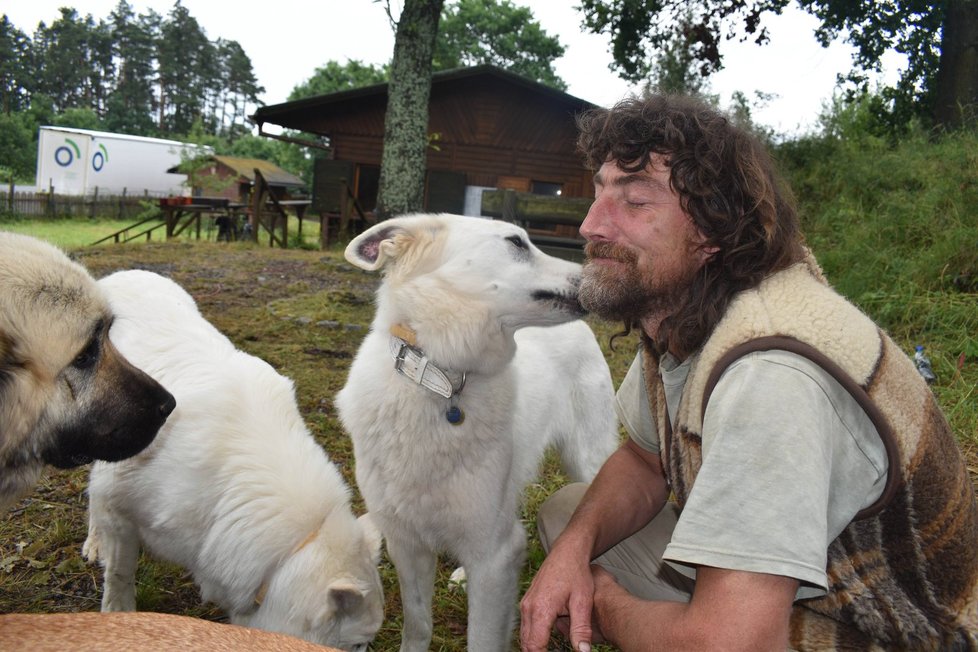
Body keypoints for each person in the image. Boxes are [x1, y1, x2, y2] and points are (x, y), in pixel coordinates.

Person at [519, 94, 978, 652]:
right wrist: (572, 554)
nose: (592, 225)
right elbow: (645, 460)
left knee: (710, 631)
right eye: (599, 192)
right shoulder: (677, 308)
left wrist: (603, 602)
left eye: (635, 202)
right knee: (569, 516)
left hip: (898, 632)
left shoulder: (771, 375)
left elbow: (732, 647)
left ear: (711, 233)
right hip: (804, 589)